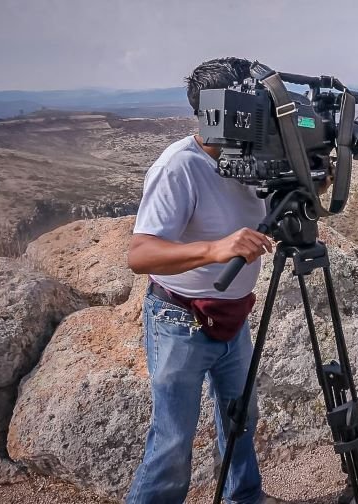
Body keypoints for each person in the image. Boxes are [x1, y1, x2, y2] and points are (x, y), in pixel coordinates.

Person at [125, 57, 280, 504]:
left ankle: (243, 498)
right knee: (173, 440)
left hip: (234, 315)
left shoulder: (251, 155)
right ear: (217, 109)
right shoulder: (179, 167)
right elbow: (141, 254)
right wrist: (214, 249)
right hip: (180, 321)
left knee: (240, 419)